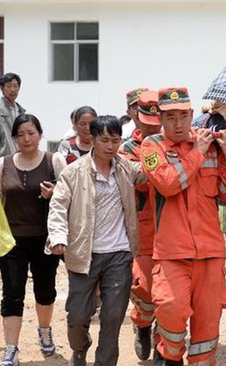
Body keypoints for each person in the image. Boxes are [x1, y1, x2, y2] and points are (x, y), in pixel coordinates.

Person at [140, 87, 226, 366]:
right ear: (160, 118)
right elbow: (169, 184)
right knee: (170, 310)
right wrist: (197, 153)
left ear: (192, 115)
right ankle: (169, 356)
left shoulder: (211, 145)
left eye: (183, 116)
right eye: (170, 117)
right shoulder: (152, 147)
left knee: (207, 328)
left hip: (210, 252)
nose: (178, 123)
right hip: (172, 252)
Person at [47, 115, 141, 366]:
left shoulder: (126, 167)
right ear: (92, 139)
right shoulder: (73, 172)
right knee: (77, 317)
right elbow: (57, 206)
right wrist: (57, 236)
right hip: (83, 253)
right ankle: (80, 348)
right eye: (104, 140)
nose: (110, 146)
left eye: (115, 140)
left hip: (119, 254)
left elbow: (152, 174)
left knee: (113, 316)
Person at [0, 114, 66, 366]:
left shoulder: (55, 161)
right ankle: (11, 348)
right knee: (12, 293)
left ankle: (44, 330)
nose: (26, 138)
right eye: (21, 134)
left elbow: (68, 196)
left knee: (45, 290)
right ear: (14, 138)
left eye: (31, 133)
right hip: (11, 241)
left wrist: (54, 193)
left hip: (45, 239)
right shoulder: (3, 163)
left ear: (40, 134)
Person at [118, 90, 162, 362]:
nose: (144, 119)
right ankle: (143, 325)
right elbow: (144, 180)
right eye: (136, 110)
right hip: (142, 226)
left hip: (172, 225)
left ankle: (162, 344)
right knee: (143, 287)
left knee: (169, 292)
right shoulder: (129, 149)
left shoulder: (174, 143)